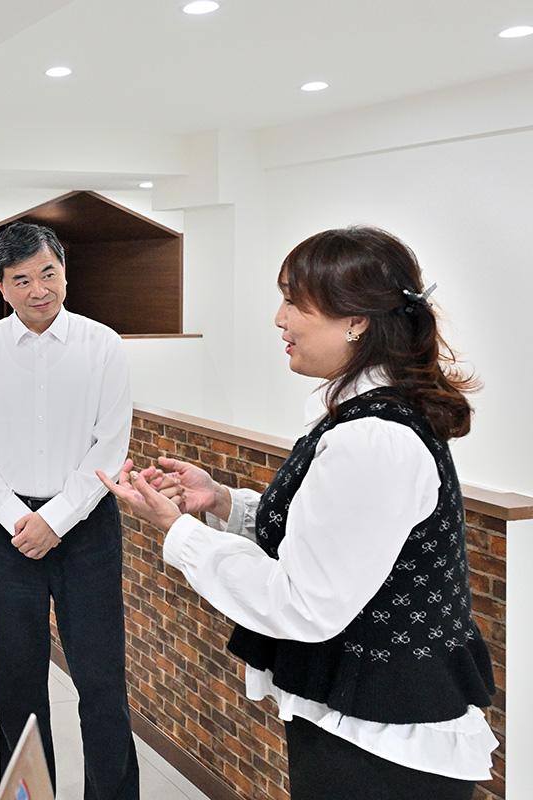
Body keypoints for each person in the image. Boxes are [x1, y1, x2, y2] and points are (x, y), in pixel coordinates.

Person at [99, 227, 496, 800]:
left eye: (293, 301)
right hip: (366, 726)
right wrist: (221, 501)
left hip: (379, 745)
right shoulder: (367, 417)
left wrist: (179, 531)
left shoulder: (372, 439)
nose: (278, 319)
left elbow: (305, 603)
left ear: (355, 320)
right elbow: (330, 539)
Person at [0, 222, 139, 799]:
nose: (39, 290)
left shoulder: (103, 345)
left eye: (48, 273)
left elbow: (111, 444)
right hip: (9, 530)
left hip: (87, 526)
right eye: (22, 279)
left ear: (64, 272)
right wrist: (16, 517)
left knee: (101, 679)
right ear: (0, 286)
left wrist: (55, 520)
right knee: (18, 677)